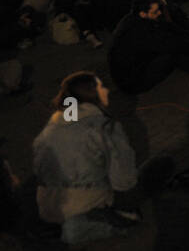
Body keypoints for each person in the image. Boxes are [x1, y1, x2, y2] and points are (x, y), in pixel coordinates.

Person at [32, 72, 175, 237]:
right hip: (88, 202)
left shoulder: (53, 124)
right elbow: (124, 183)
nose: (106, 91)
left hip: (49, 205)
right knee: (163, 163)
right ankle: (110, 215)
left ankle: (77, 218)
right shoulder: (105, 127)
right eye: (101, 87)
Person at [108, 0, 189, 93]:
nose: (159, 13)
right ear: (143, 14)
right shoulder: (139, 31)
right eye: (155, 12)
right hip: (132, 81)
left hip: (137, 63)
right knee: (173, 54)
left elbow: (168, 28)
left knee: (171, 38)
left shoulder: (135, 18)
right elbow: (168, 45)